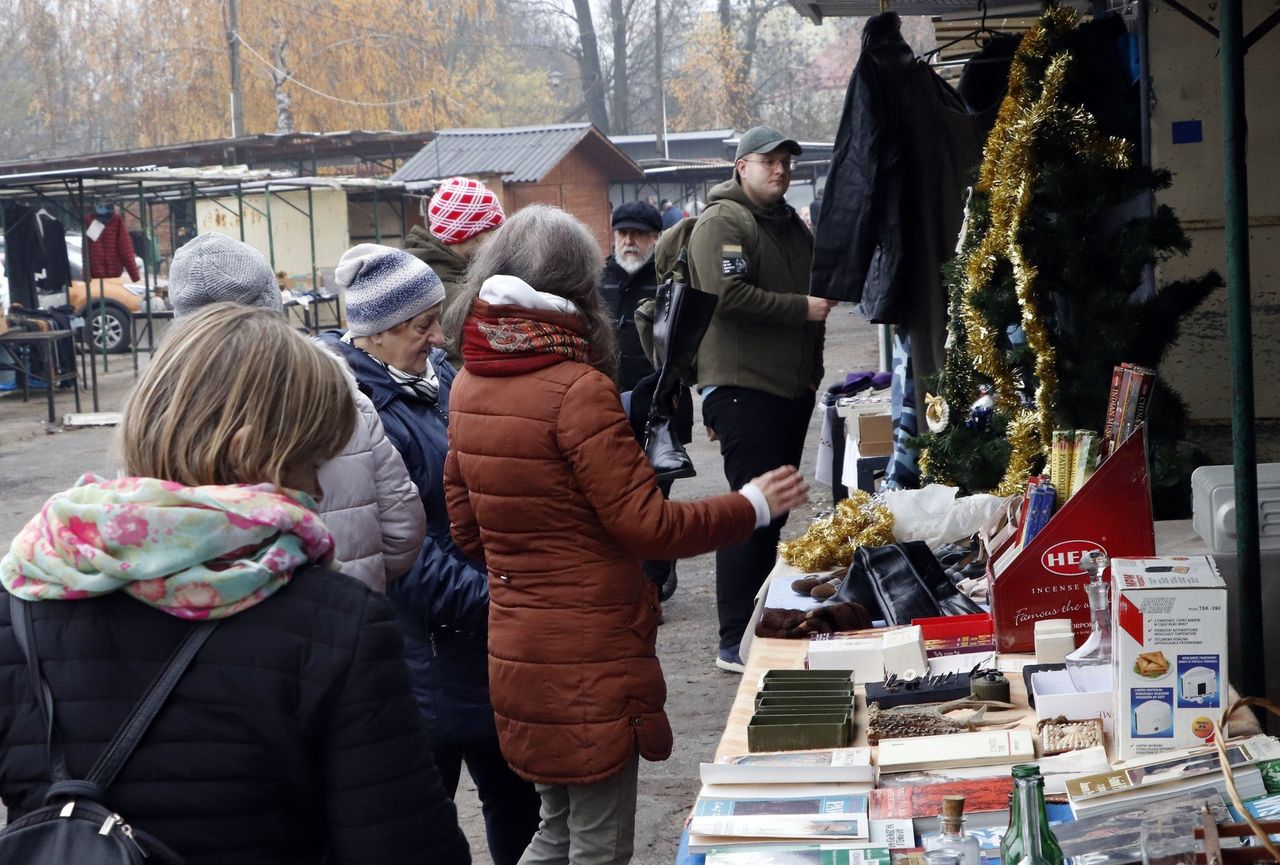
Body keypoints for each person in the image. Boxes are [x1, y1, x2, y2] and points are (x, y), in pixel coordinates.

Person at [0, 304, 470, 865]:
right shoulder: (337, 626)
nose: (319, 492)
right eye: (311, 462)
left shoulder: (23, 599)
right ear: (249, 452)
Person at [442, 204, 810, 865]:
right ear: (577, 286)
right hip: (589, 654)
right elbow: (650, 525)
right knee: (599, 845)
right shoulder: (576, 387)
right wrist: (751, 504)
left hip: (518, 646)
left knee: (556, 830)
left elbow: (468, 531)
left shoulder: (469, 383)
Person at [322, 244, 541, 865]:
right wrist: (500, 602)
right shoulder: (361, 414)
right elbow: (402, 553)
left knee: (516, 803)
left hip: (480, 632)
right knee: (425, 822)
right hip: (432, 646)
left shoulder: (436, 378)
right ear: (378, 332)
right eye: (422, 326)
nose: (439, 338)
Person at [168, 232, 426, 592]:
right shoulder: (340, 392)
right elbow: (403, 531)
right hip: (346, 605)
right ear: (273, 304)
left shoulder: (162, 416)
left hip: (207, 615)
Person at [687, 126, 836, 673]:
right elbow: (727, 296)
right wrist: (803, 308)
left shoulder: (788, 225)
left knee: (770, 514)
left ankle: (758, 625)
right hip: (744, 388)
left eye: (786, 162)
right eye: (768, 161)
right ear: (741, 167)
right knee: (748, 511)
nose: (780, 170)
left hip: (787, 388)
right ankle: (733, 639)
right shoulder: (724, 222)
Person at [403, 176, 506, 367]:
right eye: (493, 230)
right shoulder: (450, 296)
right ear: (467, 232)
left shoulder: (425, 275)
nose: (499, 240)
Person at [601, 201, 663, 393]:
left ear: (655, 237)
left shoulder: (666, 280)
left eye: (637, 233)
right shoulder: (598, 278)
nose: (628, 241)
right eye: (622, 233)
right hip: (608, 390)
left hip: (657, 391)